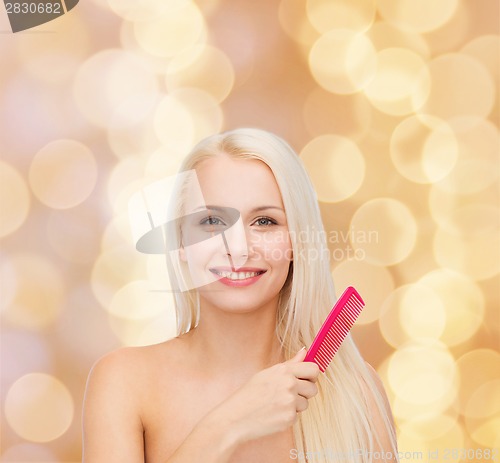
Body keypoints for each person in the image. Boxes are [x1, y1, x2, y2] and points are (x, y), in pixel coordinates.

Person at [82, 128, 398, 463]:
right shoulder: (124, 383)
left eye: (264, 221)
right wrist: (229, 424)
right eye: (213, 221)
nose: (238, 249)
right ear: (180, 243)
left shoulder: (356, 393)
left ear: (296, 243)